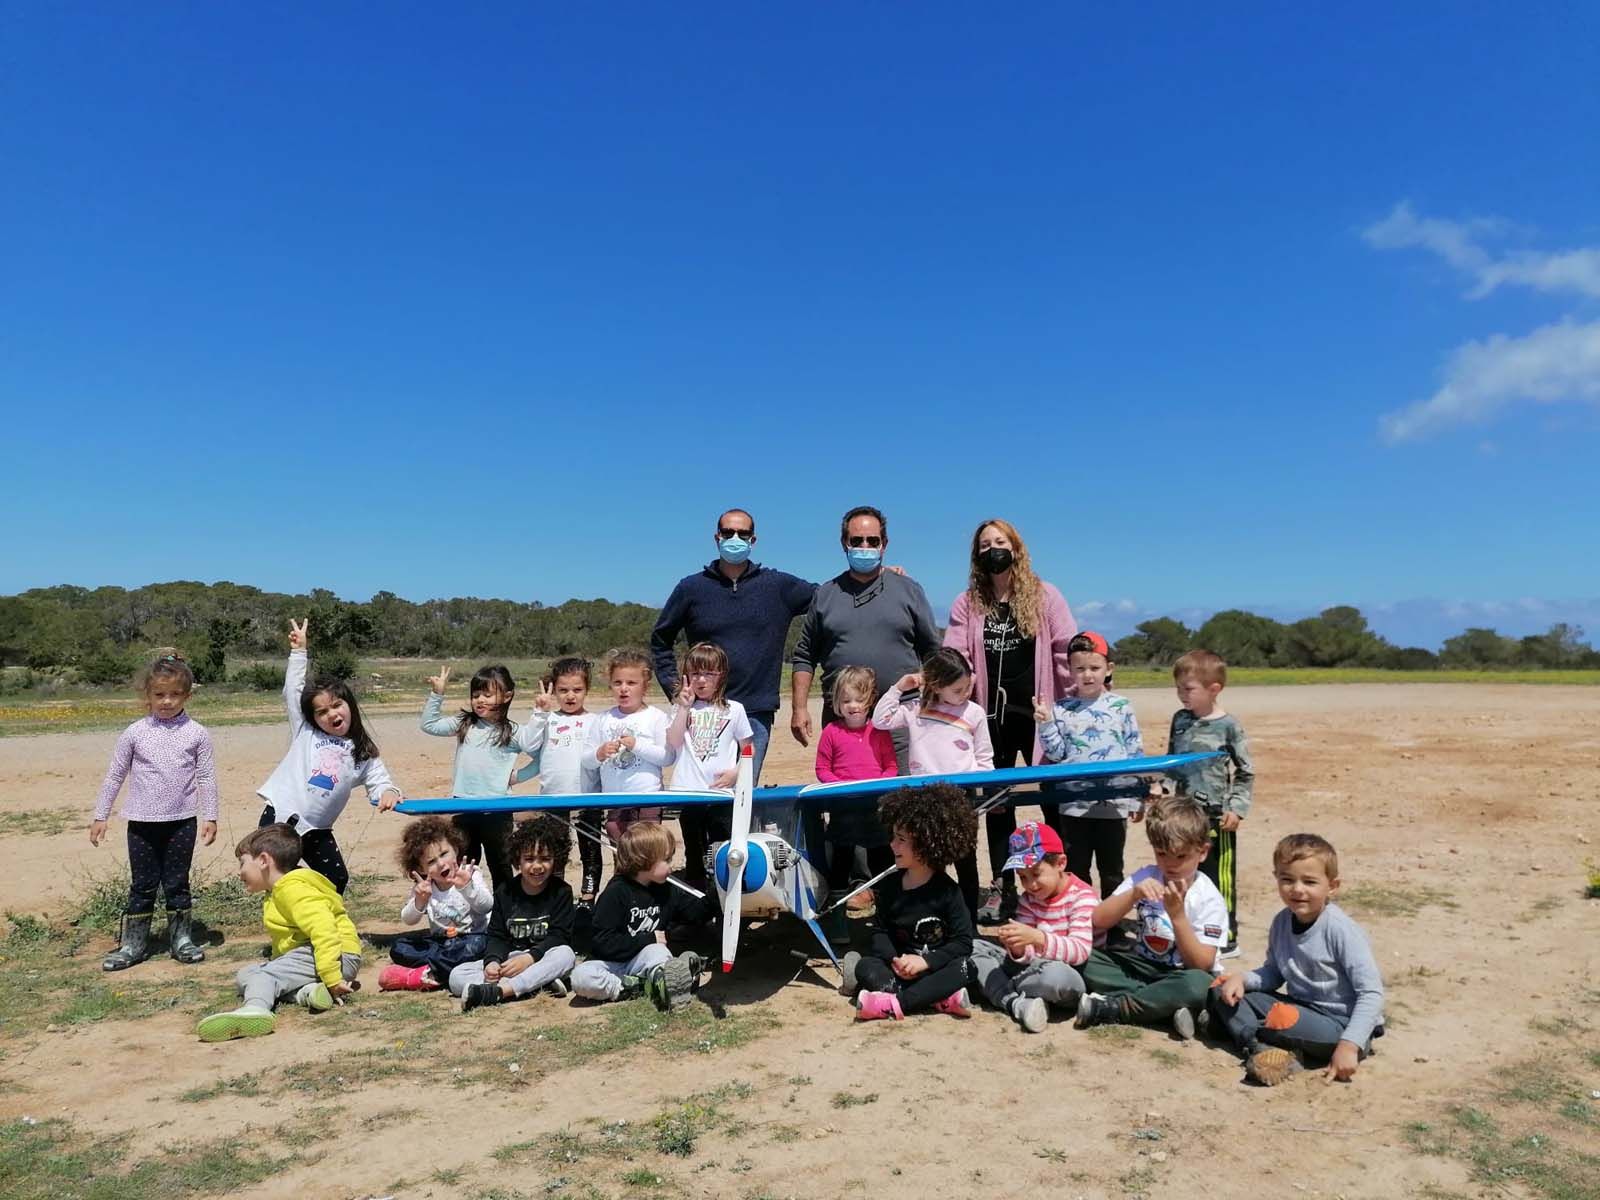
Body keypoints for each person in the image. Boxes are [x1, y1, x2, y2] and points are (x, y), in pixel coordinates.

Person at [943, 518, 1077, 920]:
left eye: (999, 542)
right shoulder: (968, 602)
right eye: (984, 545)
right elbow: (956, 655)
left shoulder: (1044, 595)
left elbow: (1063, 648)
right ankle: (1003, 887)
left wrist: (1070, 702)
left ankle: (1061, 881)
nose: (992, 550)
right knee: (999, 804)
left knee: (1053, 798)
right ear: (976, 556)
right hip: (991, 718)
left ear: (1015, 547)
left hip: (1039, 713)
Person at [651, 509, 816, 783]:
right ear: (717, 538)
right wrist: (676, 690)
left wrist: (879, 577)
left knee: (740, 795)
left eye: (743, 533)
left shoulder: (777, 586)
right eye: (728, 533)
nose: (735, 538)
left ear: (753, 540)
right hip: (703, 713)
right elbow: (660, 640)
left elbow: (829, 597)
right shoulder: (691, 588)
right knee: (699, 795)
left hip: (754, 713)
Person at [1207, 833, 1384, 1086]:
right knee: (1221, 987)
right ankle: (1258, 1048)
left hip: (1340, 1025)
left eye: (1309, 882)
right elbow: (1274, 973)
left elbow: (1371, 994)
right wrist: (1241, 979)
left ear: (1332, 886)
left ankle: (1235, 1030)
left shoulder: (1340, 929)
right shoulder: (1281, 922)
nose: (1297, 889)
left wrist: (1349, 1045)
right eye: (1287, 879)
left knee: (1283, 1017)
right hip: (1300, 1009)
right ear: (1276, 878)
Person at [90, 651, 219, 971]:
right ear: (147, 695)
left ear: (187, 695)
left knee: (177, 882)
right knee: (143, 884)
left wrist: (211, 816)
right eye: (159, 694)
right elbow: (115, 775)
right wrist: (100, 815)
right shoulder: (134, 732)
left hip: (182, 823)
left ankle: (182, 940)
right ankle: (133, 944)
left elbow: (206, 778)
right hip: (142, 824)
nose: (167, 701)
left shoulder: (197, 733)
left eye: (175, 695)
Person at [256, 619, 402, 893]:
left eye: (337, 705)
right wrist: (299, 653)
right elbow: (293, 691)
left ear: (350, 705)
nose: (332, 714)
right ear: (313, 717)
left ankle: (324, 927)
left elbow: (380, 780)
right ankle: (290, 927)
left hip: (318, 829)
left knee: (336, 880)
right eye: (322, 712)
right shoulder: (306, 731)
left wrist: (389, 792)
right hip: (280, 816)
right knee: (279, 878)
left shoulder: (363, 750)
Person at [790, 506, 941, 759]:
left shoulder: (909, 590)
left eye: (873, 540)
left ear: (884, 544)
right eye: (856, 540)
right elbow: (804, 656)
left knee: (903, 795)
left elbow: (933, 653)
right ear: (844, 543)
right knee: (848, 796)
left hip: (901, 720)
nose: (865, 546)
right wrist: (799, 708)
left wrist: (939, 704)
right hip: (842, 722)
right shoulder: (826, 594)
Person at [1074, 795, 1228, 1037]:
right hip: (1142, 967)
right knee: (1083, 957)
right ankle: (1164, 1007)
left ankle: (1118, 1008)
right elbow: (1098, 920)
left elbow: (1201, 964)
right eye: (1162, 853)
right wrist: (1133, 895)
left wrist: (1177, 917)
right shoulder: (1147, 875)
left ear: (1202, 852)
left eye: (1181, 856)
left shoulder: (1208, 897)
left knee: (1199, 985)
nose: (1170, 863)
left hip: (1182, 973)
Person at [196, 824, 362, 1041]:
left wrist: (332, 976)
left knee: (264, 976)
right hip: (325, 957)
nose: (239, 872)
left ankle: (255, 1010)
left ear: (264, 860)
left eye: (242, 863)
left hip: (336, 956)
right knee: (246, 975)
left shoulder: (293, 889)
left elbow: (324, 929)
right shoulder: (278, 890)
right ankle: (308, 993)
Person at [873, 648, 993, 923]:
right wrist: (898, 688)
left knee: (966, 862)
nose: (965, 694)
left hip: (961, 798)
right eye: (958, 689)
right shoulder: (916, 709)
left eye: (968, 687)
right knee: (929, 861)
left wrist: (986, 789)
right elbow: (881, 720)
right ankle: (933, 919)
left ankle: (970, 923)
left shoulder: (974, 713)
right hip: (924, 798)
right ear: (937, 686)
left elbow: (985, 756)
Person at [839, 783, 977, 1020]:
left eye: (901, 839)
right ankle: (938, 999)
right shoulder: (890, 887)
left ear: (926, 845)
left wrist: (926, 962)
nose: (893, 845)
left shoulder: (949, 892)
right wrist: (895, 959)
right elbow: (879, 932)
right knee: (865, 966)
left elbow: (963, 942)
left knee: (967, 967)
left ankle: (893, 1004)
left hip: (935, 969)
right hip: (898, 969)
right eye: (893, 837)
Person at [1035, 631, 1145, 899]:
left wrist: (1137, 796)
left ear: (1109, 669)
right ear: (1070, 670)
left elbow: (1134, 752)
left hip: (1114, 805)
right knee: (1077, 870)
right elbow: (1057, 755)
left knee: (1112, 870)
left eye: (1095, 668)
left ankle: (1114, 929)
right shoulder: (1062, 709)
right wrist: (1046, 723)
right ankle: (1083, 924)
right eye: (1080, 668)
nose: (1088, 675)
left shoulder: (1121, 706)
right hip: (1074, 806)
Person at [1161, 650, 1254, 957]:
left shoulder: (1229, 726)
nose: (1181, 695)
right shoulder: (1180, 720)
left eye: (1188, 689)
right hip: (1183, 816)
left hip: (1216, 816)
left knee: (1218, 876)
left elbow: (1245, 771)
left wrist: (1236, 808)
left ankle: (1226, 936)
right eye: (1178, 688)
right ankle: (1190, 928)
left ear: (1214, 689)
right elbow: (1172, 762)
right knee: (1184, 872)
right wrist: (1161, 788)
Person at [419, 664, 543, 889]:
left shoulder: (513, 732)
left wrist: (517, 776)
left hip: (497, 810)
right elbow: (429, 725)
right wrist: (437, 694)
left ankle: (503, 915)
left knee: (501, 866)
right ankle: (469, 913)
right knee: (464, 865)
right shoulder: (465, 723)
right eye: (476, 695)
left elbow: (541, 758)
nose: (480, 700)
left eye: (487, 694)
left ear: (507, 696)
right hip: (463, 807)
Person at [970, 821, 1096, 1033]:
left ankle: (1004, 993)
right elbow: (1025, 953)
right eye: (1023, 877)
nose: (1030, 885)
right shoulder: (1029, 899)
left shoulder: (1082, 896)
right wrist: (1017, 946)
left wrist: (1037, 938)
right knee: (973, 947)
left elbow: (1080, 951)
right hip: (1030, 970)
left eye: (1036, 874)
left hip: (1066, 974)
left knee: (1054, 977)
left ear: (1061, 863)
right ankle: (1020, 999)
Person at [570, 822, 713, 1010]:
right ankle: (639, 987)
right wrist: (647, 939)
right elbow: (601, 942)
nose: (671, 866)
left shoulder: (667, 890)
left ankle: (664, 981)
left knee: (658, 951)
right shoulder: (616, 893)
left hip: (646, 959)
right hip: (612, 964)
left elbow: (694, 914)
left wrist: (718, 896)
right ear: (645, 860)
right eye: (667, 860)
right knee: (581, 977)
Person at [454, 815, 579, 1012]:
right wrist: (493, 962)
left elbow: (559, 937)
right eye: (529, 859)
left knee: (566, 955)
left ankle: (499, 992)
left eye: (545, 859)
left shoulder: (561, 891)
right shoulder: (505, 892)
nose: (537, 866)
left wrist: (530, 958)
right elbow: (497, 935)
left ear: (557, 859)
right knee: (457, 975)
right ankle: (537, 984)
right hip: (510, 961)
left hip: (543, 957)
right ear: (517, 860)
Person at [815, 665, 897, 939]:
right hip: (843, 812)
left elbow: (891, 767)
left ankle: (888, 921)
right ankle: (838, 924)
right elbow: (822, 769)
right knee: (839, 867)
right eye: (846, 700)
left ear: (870, 701)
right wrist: (839, 787)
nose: (852, 706)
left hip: (876, 811)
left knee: (884, 865)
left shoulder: (880, 731)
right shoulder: (831, 732)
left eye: (858, 700)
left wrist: (879, 786)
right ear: (836, 702)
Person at [666, 642, 753, 888]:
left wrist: (737, 772)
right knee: (693, 847)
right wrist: (683, 707)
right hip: (688, 790)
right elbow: (673, 741)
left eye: (709, 674)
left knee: (723, 845)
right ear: (687, 676)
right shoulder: (681, 708)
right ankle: (697, 899)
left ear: (721, 676)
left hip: (720, 793)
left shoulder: (734, 709)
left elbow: (749, 748)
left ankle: (726, 895)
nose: (701, 680)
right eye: (695, 674)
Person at [379, 816, 492, 992]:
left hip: (472, 937)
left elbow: (487, 906)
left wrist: (467, 888)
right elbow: (408, 920)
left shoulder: (470, 874)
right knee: (400, 947)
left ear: (455, 848)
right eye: (431, 862)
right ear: (421, 869)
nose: (440, 863)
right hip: (441, 942)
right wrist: (420, 901)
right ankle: (443, 966)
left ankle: (427, 974)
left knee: (477, 945)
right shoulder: (425, 887)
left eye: (444, 854)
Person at [525, 657, 604, 903]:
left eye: (577, 690)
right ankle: (557, 895)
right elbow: (529, 746)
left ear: (587, 690)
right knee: (555, 849)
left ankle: (588, 897)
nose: (570, 696)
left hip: (587, 796)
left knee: (590, 849)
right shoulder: (547, 719)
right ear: (554, 690)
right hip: (553, 796)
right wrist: (539, 712)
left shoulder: (595, 721)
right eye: (563, 690)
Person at [582, 648, 671, 840]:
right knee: (617, 839)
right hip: (614, 798)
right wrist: (600, 753)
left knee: (646, 845)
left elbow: (667, 757)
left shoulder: (656, 717)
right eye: (617, 683)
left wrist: (636, 746)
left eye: (631, 683)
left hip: (648, 797)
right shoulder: (603, 719)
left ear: (645, 687)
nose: (624, 688)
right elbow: (587, 760)